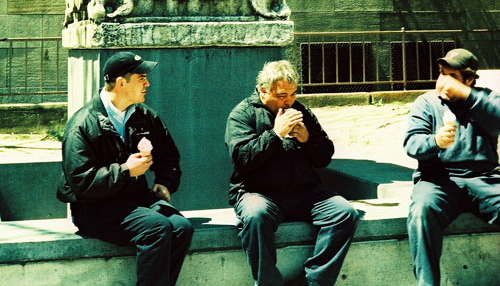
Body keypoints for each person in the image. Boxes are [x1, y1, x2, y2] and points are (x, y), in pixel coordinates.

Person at [57, 51, 193, 286]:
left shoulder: (144, 116)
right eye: (141, 78)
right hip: (95, 207)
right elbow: (80, 181)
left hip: (136, 201)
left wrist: (164, 182)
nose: (147, 83)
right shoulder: (82, 123)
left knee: (182, 227)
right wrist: (126, 170)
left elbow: (169, 155)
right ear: (121, 82)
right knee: (157, 227)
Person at [225, 59, 358, 285]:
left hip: (304, 192)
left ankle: (314, 281)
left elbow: (324, 157)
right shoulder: (242, 114)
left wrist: (307, 138)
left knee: (345, 213)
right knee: (255, 217)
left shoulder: (301, 110)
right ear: (263, 90)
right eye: (282, 96)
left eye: (293, 94)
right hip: (259, 193)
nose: (288, 101)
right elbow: (242, 158)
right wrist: (275, 134)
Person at [405, 48, 500, 285]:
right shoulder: (426, 103)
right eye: (442, 74)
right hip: (437, 180)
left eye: (453, 77)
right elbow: (411, 144)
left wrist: (469, 96)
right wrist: (435, 141)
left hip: (483, 179)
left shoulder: (485, 100)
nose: (444, 83)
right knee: (421, 212)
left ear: (470, 80)